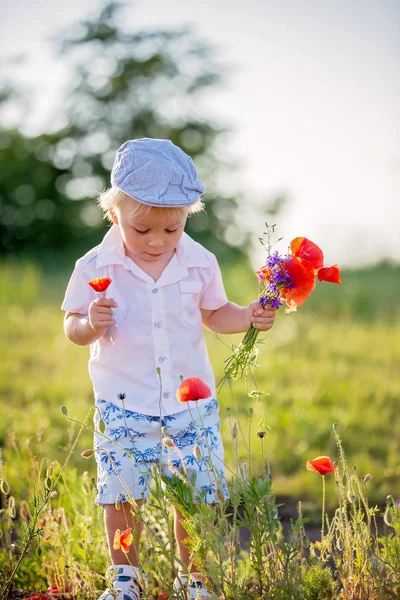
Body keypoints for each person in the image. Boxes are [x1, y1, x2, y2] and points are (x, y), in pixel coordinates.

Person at [61, 138, 276, 600]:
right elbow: (72, 326)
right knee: (121, 496)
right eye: (142, 231)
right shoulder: (95, 265)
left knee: (197, 495)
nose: (157, 242)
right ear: (114, 214)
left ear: (186, 218)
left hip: (190, 405)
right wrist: (88, 324)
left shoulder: (200, 262)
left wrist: (250, 315)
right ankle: (124, 579)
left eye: (171, 230)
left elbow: (216, 313)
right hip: (124, 404)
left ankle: (193, 578)